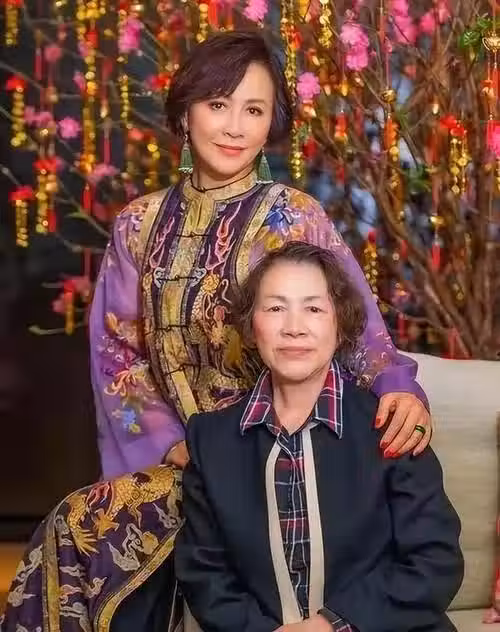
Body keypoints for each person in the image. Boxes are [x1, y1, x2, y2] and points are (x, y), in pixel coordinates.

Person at [1, 31, 433, 632]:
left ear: (271, 123)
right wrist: (171, 445)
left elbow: (353, 325)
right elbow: (120, 355)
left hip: (272, 450)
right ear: (185, 113)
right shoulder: (137, 225)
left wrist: (398, 388)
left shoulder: (292, 216)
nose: (234, 127)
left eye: (254, 110)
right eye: (218, 105)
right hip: (177, 458)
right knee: (75, 526)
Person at [176, 241, 464, 632]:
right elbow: (205, 575)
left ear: (339, 325)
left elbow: (435, 563)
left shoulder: (391, 424)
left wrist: (332, 625)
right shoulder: (211, 440)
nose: (294, 327)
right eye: (275, 308)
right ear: (250, 326)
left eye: (313, 308)